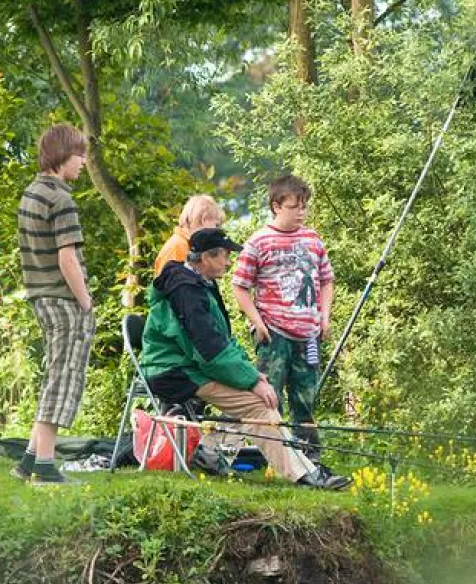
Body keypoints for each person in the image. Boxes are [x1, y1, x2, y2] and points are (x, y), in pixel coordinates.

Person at [141, 228, 351, 490]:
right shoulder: (187, 291)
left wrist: (251, 374)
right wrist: (252, 381)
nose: (229, 262)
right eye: (225, 256)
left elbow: (224, 340)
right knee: (259, 404)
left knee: (255, 396)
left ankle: (209, 452)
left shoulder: (199, 284)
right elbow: (211, 352)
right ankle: (306, 474)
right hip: (172, 372)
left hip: (189, 367)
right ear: (206, 257)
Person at [231, 175, 334, 459]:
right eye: (294, 206)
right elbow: (239, 286)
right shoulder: (258, 242)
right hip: (274, 332)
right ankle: (266, 456)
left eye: (304, 206)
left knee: (306, 399)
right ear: (277, 206)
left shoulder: (313, 240)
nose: (301, 212)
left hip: (308, 333)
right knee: (268, 397)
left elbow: (327, 280)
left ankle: (308, 457)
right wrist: (257, 322)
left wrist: (325, 317)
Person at [13, 125, 94, 485]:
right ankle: (46, 465)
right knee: (62, 378)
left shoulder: (31, 192)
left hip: (38, 294)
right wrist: (85, 300)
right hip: (62, 299)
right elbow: (67, 259)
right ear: (62, 155)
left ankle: (29, 460)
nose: (83, 163)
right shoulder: (61, 199)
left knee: (55, 373)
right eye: (80, 155)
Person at [151, 195, 225, 275]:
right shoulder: (178, 246)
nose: (217, 230)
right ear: (204, 219)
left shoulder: (189, 246)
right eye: (216, 225)